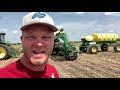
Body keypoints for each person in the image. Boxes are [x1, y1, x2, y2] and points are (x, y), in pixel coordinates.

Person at [0, 12, 60, 78]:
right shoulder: (5, 75)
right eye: (31, 37)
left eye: (45, 37)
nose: (39, 44)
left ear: (53, 41)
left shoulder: (52, 71)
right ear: (22, 40)